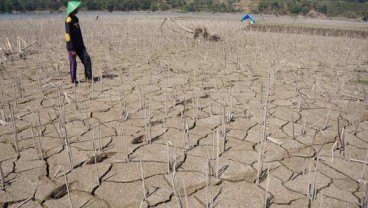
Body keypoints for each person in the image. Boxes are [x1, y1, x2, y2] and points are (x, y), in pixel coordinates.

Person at [65, 1, 92, 84]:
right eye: (76, 8)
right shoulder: (68, 20)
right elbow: (67, 35)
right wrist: (71, 48)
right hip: (72, 46)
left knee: (87, 58)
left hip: (80, 45)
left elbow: (79, 33)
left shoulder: (76, 19)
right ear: (73, 9)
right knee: (73, 63)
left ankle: (89, 77)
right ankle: (73, 81)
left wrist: (83, 45)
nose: (78, 9)